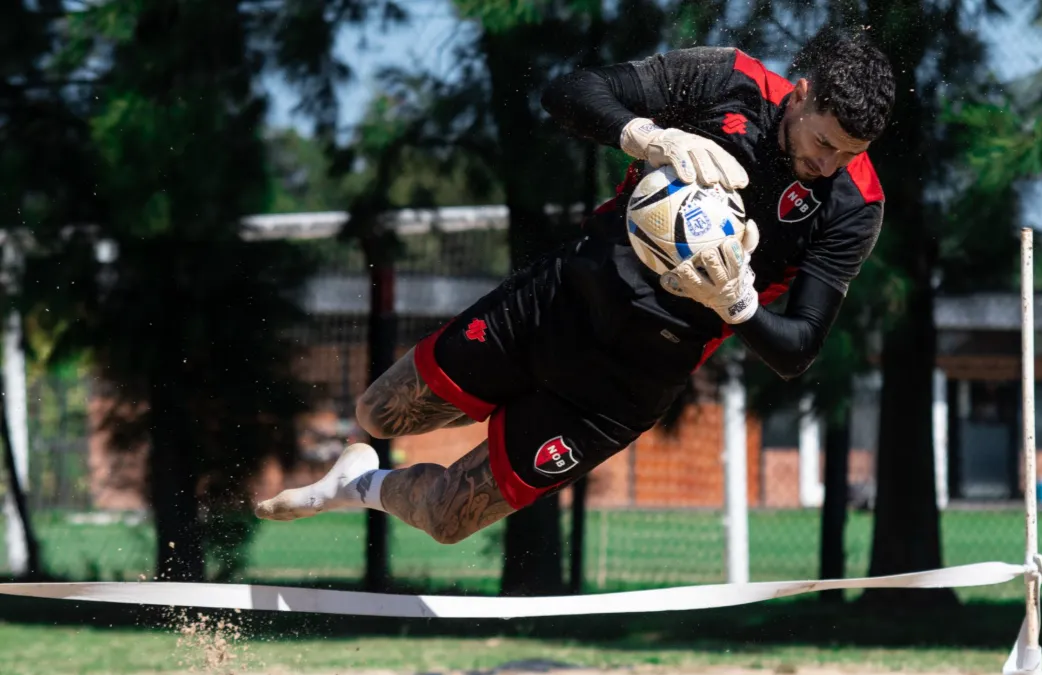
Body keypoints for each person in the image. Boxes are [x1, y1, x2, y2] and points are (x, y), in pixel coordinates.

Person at [254, 27, 896, 546]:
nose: (829, 164)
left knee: (449, 516)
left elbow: (799, 347)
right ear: (800, 95)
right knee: (380, 413)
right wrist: (647, 135)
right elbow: (569, 91)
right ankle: (356, 461)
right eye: (824, 143)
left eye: (849, 152)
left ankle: (360, 488)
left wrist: (737, 304)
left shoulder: (855, 204)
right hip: (559, 301)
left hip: (626, 383)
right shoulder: (728, 79)